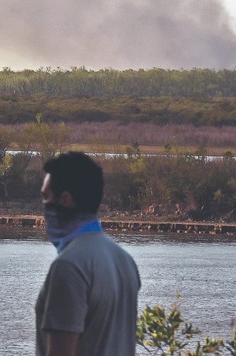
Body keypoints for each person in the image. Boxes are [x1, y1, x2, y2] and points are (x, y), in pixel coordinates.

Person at [35, 152, 141, 356]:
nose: (44, 208)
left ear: (65, 199)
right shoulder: (124, 260)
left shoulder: (70, 266)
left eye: (46, 197)